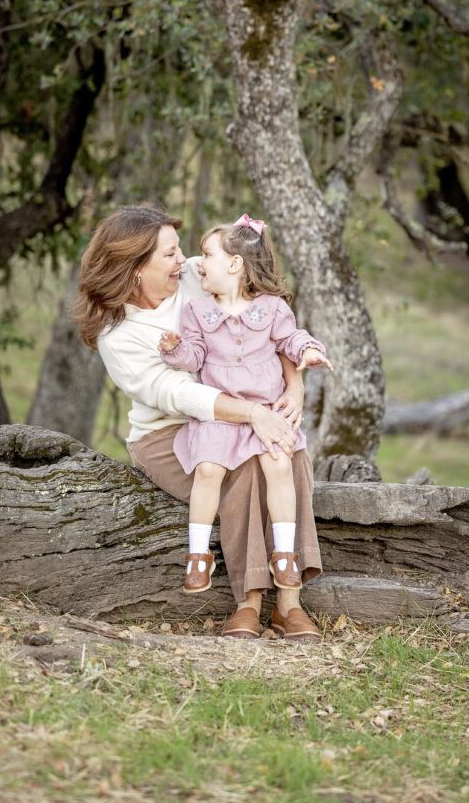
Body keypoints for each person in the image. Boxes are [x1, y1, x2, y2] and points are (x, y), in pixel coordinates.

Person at [77, 204, 323, 641]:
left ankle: (289, 603)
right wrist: (254, 413)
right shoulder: (119, 334)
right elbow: (180, 394)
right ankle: (249, 600)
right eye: (169, 254)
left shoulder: (196, 274)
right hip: (167, 431)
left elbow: (264, 320)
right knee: (243, 472)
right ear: (135, 268)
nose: (184, 260)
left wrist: (293, 386)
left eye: (181, 250)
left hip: (244, 411)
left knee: (287, 450)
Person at [157, 214, 332, 598]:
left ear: (235, 264)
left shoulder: (270, 308)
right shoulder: (198, 311)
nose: (197, 263)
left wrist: (309, 350)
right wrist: (175, 349)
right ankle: (198, 555)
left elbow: (290, 338)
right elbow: (195, 355)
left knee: (279, 464)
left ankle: (284, 553)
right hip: (221, 418)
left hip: (266, 412)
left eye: (207, 254)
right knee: (207, 470)